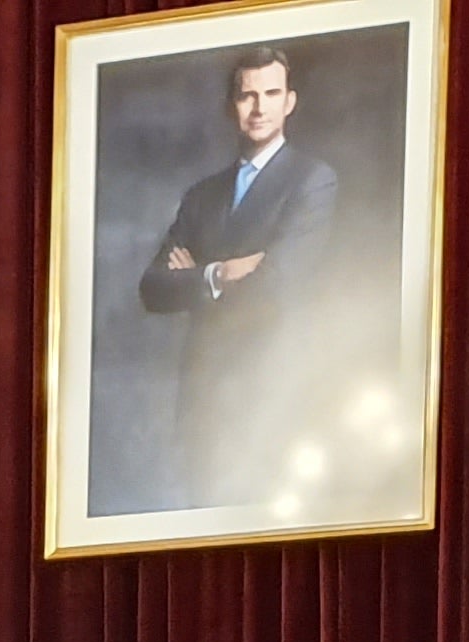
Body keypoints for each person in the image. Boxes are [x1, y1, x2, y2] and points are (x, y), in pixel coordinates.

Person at [134, 43, 340, 504]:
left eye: (271, 94)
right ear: (232, 105)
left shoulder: (312, 180)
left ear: (290, 102)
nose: (259, 107)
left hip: (271, 394)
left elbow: (277, 284)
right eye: (248, 95)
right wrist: (219, 273)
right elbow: (153, 288)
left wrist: (195, 280)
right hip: (204, 400)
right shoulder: (201, 195)